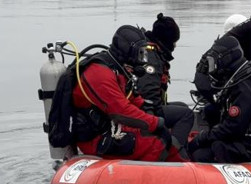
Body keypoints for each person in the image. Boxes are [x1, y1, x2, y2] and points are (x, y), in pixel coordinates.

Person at [71, 24, 183, 162]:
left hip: (112, 128)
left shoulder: (116, 68)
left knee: (169, 141)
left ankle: (185, 171)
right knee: (158, 142)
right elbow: (120, 112)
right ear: (128, 50)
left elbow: (130, 96)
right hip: (97, 139)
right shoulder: (100, 74)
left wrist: (146, 107)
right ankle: (149, 178)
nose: (142, 57)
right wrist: (155, 123)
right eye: (140, 52)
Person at [186, 35, 251, 164]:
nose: (214, 67)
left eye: (215, 62)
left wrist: (201, 139)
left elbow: (233, 127)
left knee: (199, 155)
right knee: (210, 114)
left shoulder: (245, 86)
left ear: (226, 59)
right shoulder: (243, 74)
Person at [136, 13, 193, 160]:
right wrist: (155, 121)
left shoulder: (147, 50)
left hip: (147, 105)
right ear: (166, 40)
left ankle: (180, 145)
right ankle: (175, 154)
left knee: (183, 107)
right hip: (146, 110)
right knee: (187, 115)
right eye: (174, 41)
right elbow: (148, 93)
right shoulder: (152, 58)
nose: (174, 45)